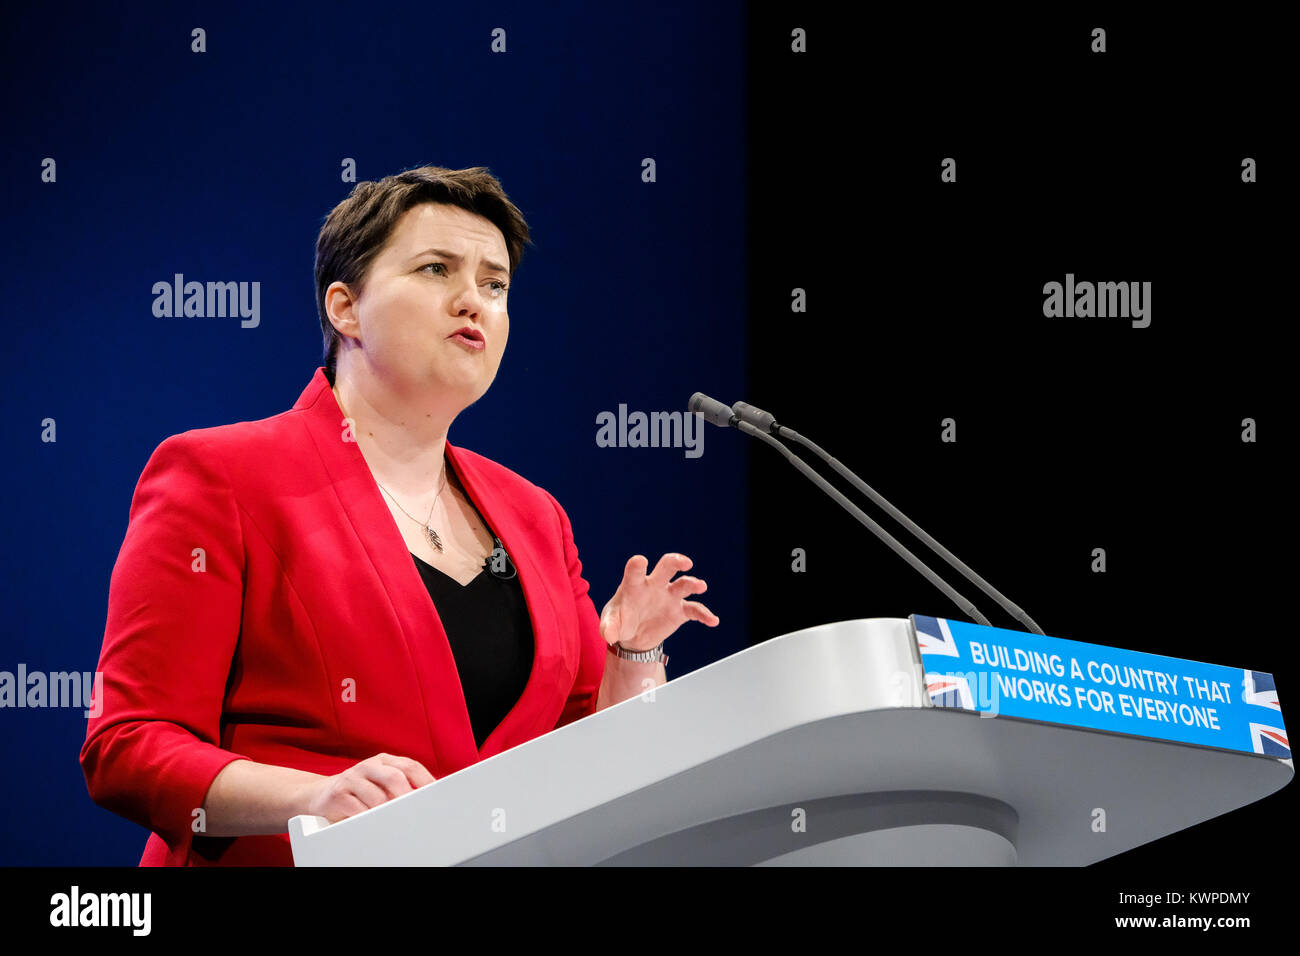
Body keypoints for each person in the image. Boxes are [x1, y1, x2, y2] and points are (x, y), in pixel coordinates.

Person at [80, 165, 719, 866]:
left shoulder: (536, 517)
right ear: (345, 309)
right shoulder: (222, 476)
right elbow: (128, 746)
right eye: (437, 269)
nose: (472, 301)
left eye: (495, 284)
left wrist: (630, 657)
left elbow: (584, 763)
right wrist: (311, 799)